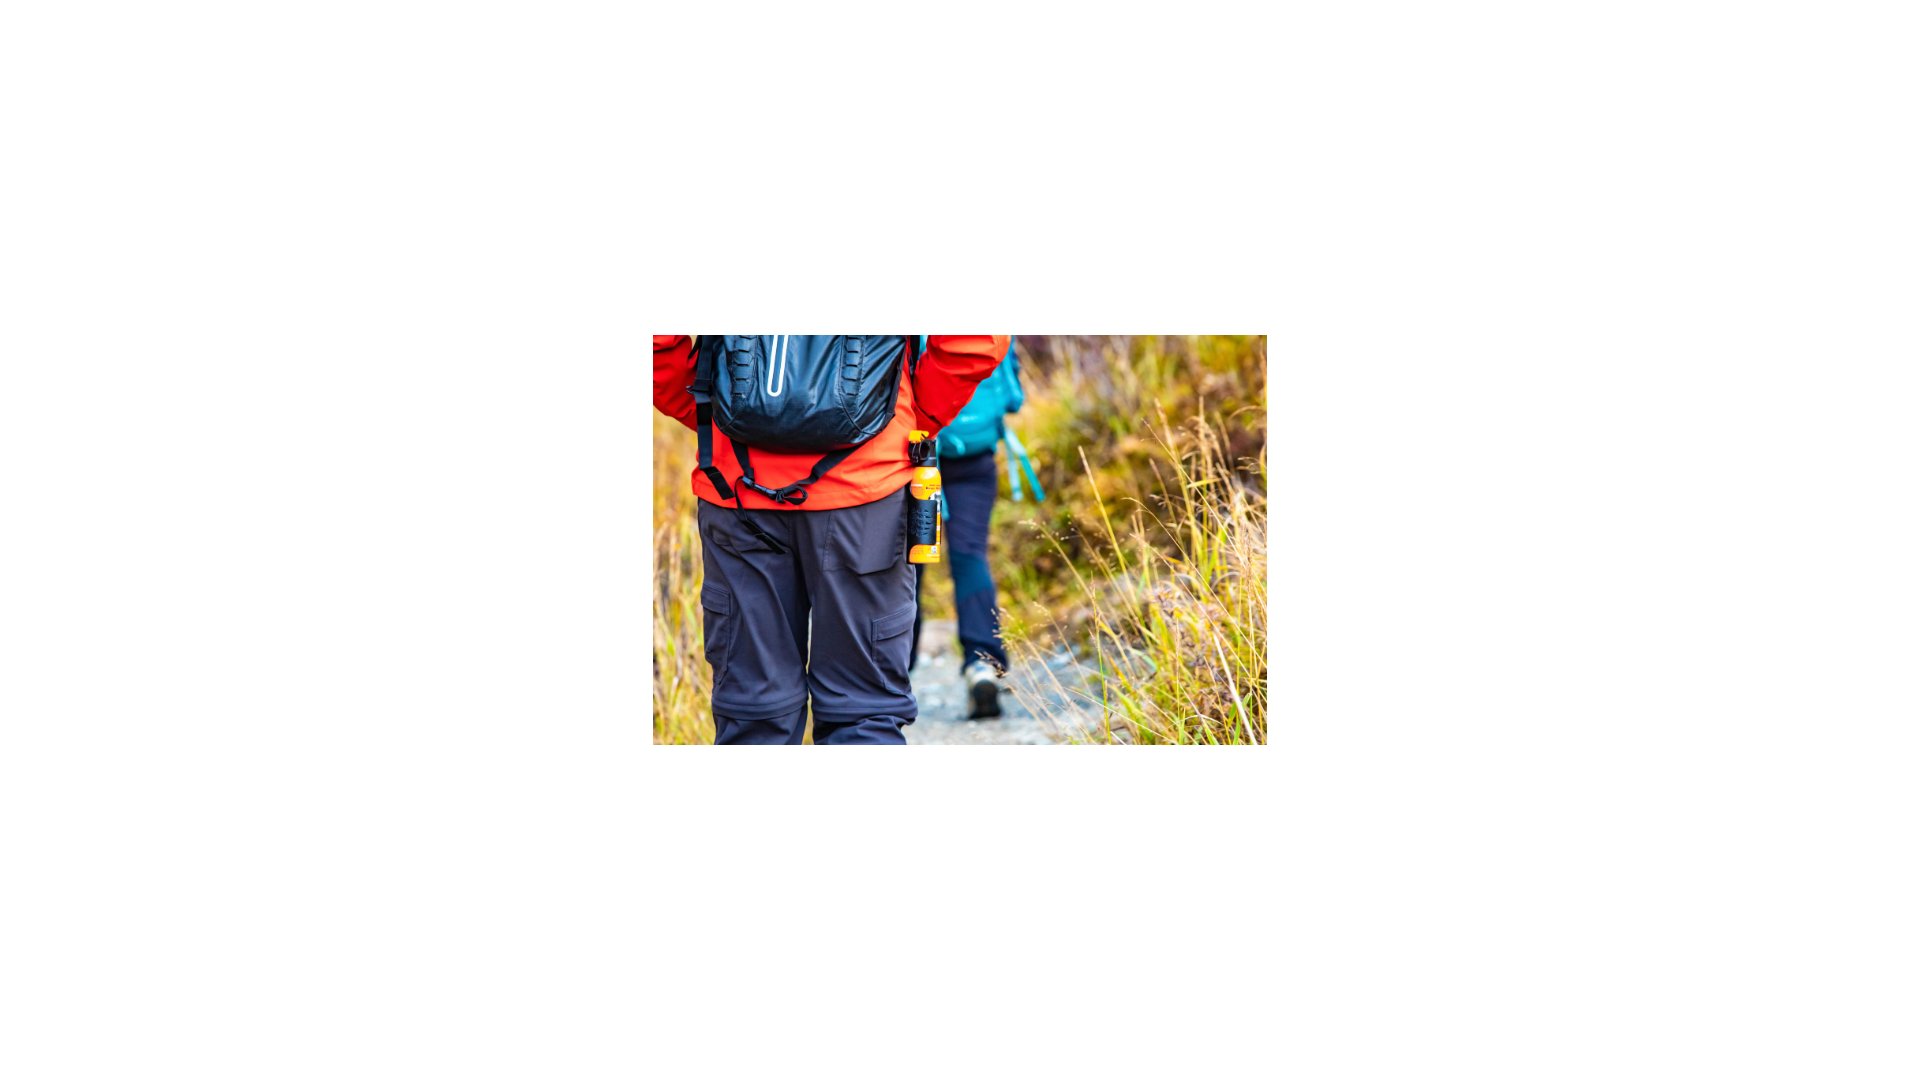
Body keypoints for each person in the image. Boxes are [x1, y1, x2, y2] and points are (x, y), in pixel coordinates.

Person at [654, 335, 1008, 745]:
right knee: (862, 713)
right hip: (866, 496)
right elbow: (975, 341)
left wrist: (718, 417)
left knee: (752, 713)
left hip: (738, 489)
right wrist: (907, 416)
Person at [909, 336, 1044, 719]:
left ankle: (892, 671)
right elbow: (1012, 392)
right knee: (970, 556)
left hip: (916, 450)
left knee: (907, 560)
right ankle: (982, 663)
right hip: (976, 452)